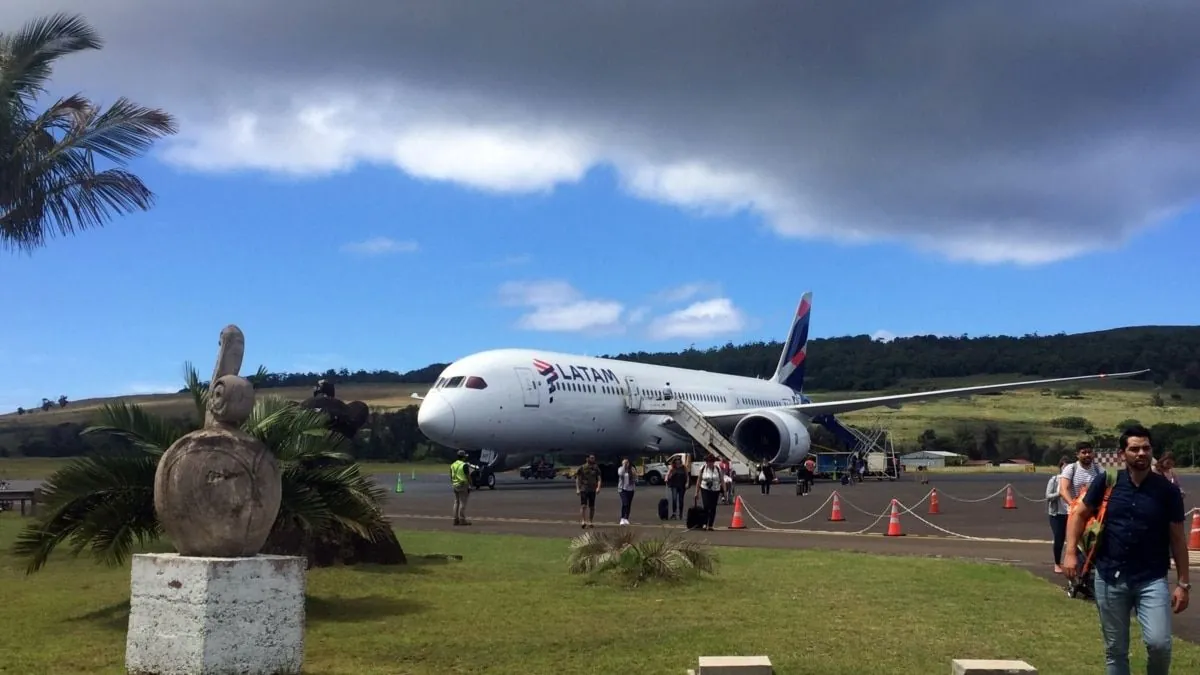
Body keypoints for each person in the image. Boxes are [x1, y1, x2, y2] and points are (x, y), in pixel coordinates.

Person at [1064, 425, 1190, 675]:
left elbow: (1177, 538)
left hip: (1151, 578)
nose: (1141, 453)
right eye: (1134, 449)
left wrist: (1183, 584)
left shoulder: (1167, 491)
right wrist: (1069, 553)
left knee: (1159, 644)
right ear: (1123, 454)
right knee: (1116, 649)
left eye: (1146, 448)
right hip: (1110, 576)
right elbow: (1079, 515)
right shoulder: (1108, 481)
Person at [1046, 456, 1072, 573]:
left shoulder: (1072, 480)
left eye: (1068, 467)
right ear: (1060, 467)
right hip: (1057, 514)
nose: (1066, 469)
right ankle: (1057, 563)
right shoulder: (1054, 480)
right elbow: (1048, 496)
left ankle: (1071, 562)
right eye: (1064, 467)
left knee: (1073, 540)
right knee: (1059, 539)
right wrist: (1059, 493)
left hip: (1070, 513)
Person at [1059, 440, 1099, 510]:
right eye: (1084, 452)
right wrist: (1072, 505)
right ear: (1077, 454)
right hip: (1075, 511)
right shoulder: (1071, 468)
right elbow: (1063, 490)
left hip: (1094, 512)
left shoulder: (1099, 470)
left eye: (1089, 452)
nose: (1087, 455)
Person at [694, 454, 725, 531]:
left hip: (715, 489)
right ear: (706, 462)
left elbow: (722, 480)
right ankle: (704, 523)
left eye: (711, 461)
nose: (710, 463)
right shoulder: (703, 468)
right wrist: (696, 492)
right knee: (706, 506)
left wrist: (724, 491)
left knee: (713, 507)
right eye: (708, 461)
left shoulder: (718, 469)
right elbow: (699, 480)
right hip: (705, 488)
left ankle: (710, 524)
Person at [575, 454, 603, 529]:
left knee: (592, 506)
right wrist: (577, 488)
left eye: (593, 458)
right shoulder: (582, 467)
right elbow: (578, 478)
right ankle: (583, 521)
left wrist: (598, 487)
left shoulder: (596, 468)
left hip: (592, 489)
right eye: (591, 458)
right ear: (587, 459)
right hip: (584, 488)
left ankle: (590, 521)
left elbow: (599, 478)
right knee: (583, 505)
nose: (593, 459)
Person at [450, 450, 471, 526]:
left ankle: (455, 519)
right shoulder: (464, 465)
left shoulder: (453, 465)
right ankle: (462, 519)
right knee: (463, 502)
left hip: (455, 484)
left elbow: (451, 476)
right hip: (462, 484)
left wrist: (453, 483)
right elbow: (468, 476)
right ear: (463, 457)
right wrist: (470, 484)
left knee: (456, 502)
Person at [617, 458, 637, 525]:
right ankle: (622, 518)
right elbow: (620, 473)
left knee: (629, 504)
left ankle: (626, 518)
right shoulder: (621, 469)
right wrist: (624, 466)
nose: (626, 464)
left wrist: (634, 475)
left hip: (631, 489)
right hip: (622, 489)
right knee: (625, 503)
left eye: (627, 463)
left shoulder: (632, 469)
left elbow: (636, 478)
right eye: (625, 463)